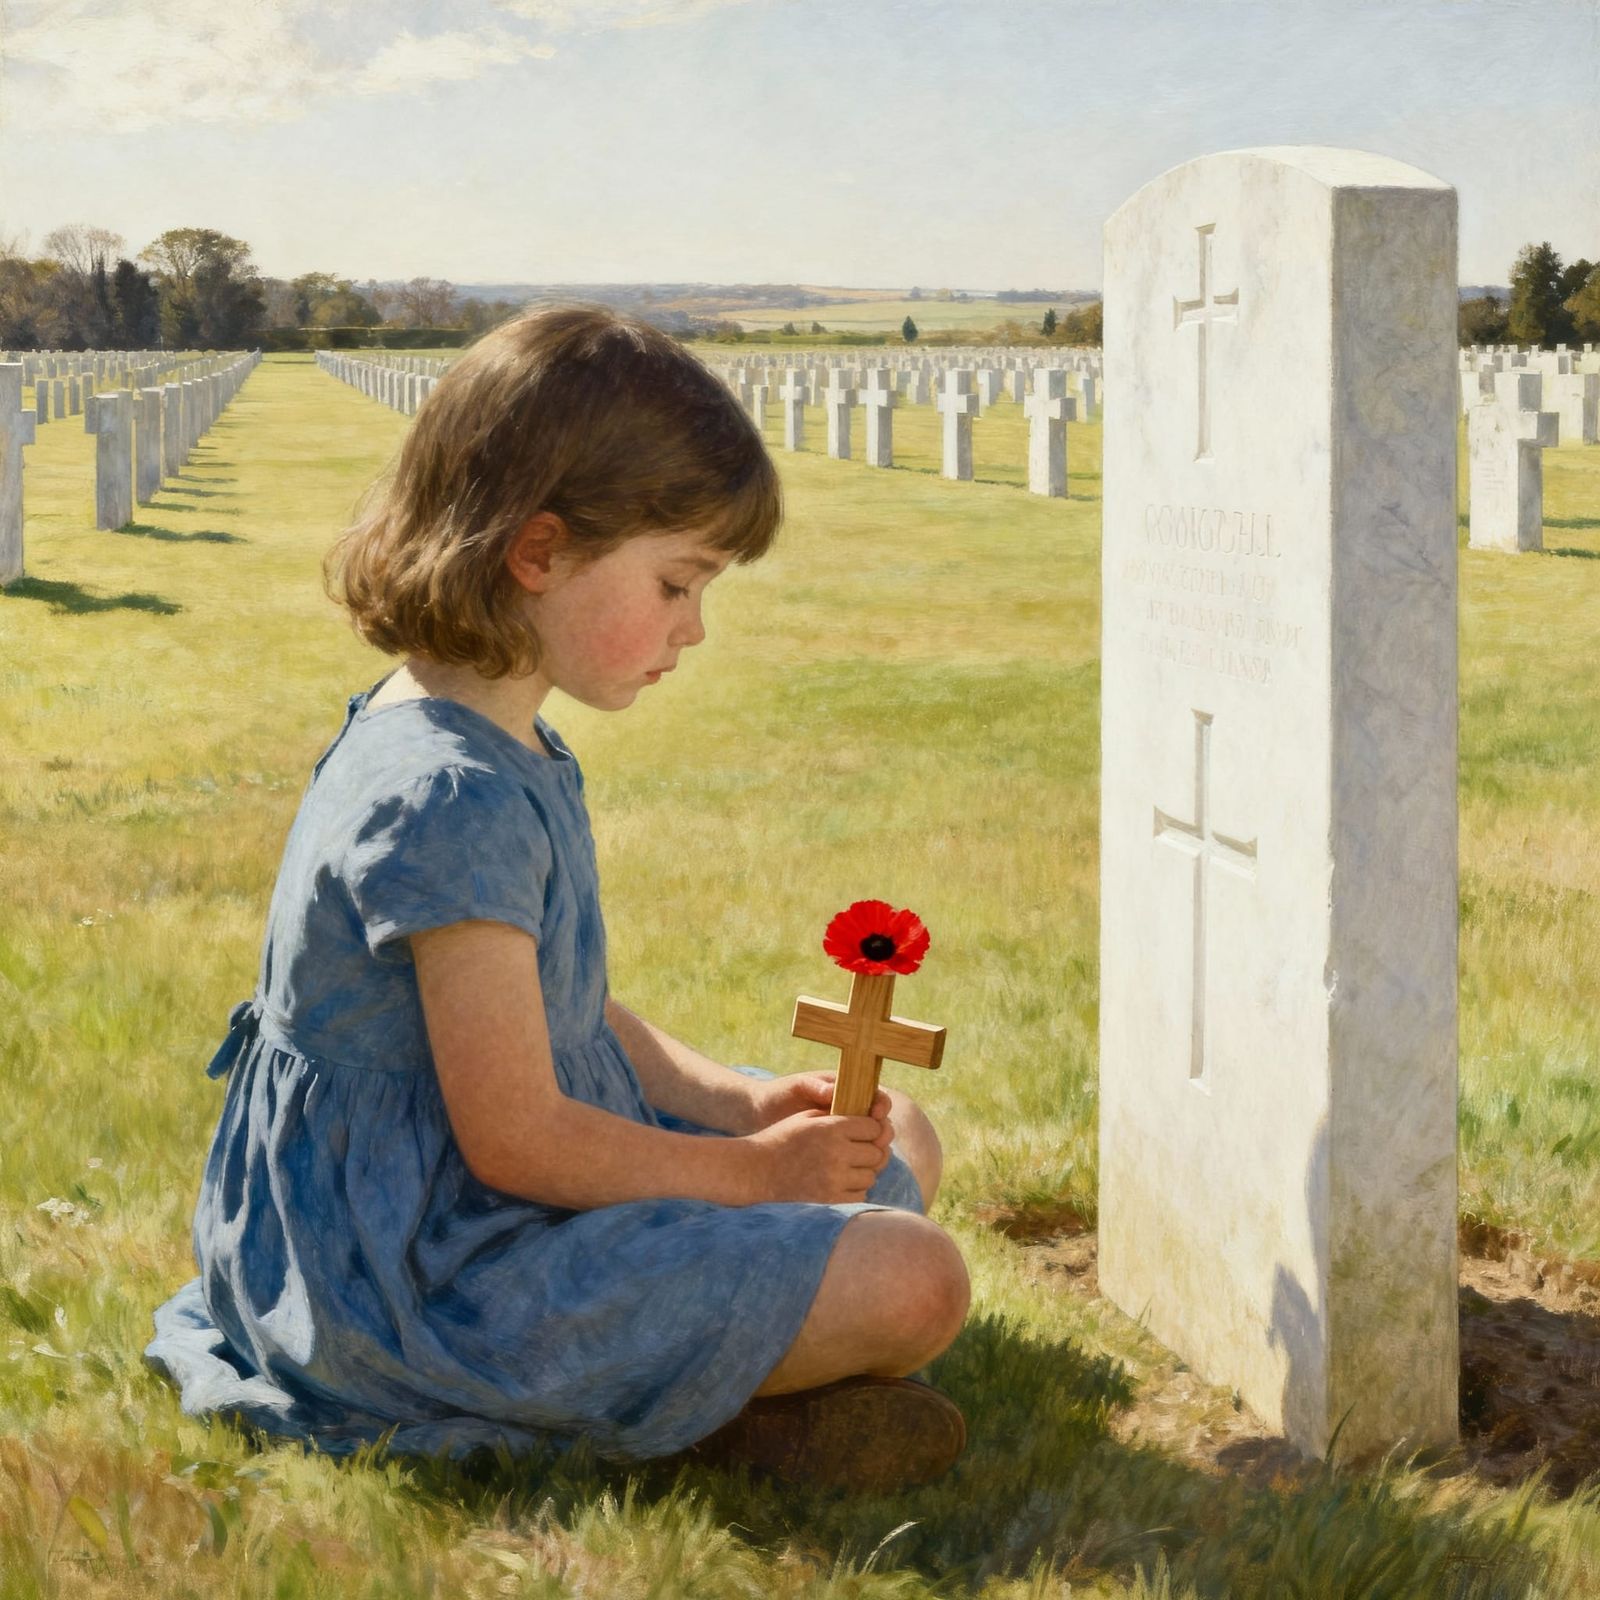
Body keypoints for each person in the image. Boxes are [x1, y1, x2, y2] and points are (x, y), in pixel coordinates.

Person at [145, 306, 970, 1493]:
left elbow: (561, 1004)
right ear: (538, 551)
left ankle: (723, 1386)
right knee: (914, 1279)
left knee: (889, 1145)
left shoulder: (494, 729)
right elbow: (516, 1135)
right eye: (678, 583)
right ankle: (710, 1414)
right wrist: (749, 1176)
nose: (695, 629)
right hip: (420, 1269)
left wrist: (730, 1100)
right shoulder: (446, 792)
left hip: (496, 1201)